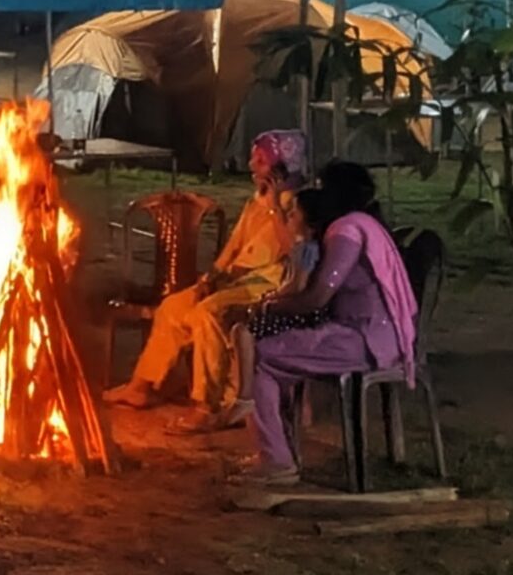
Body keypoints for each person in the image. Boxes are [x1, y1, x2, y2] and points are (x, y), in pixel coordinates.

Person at [103, 129, 310, 423]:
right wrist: (210, 278)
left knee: (208, 313)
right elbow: (236, 244)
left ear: (281, 168)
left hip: (269, 285)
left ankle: (207, 404)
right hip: (236, 280)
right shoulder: (258, 200)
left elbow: (293, 249)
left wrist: (277, 207)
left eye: (260, 161)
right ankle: (142, 386)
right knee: (175, 307)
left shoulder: (297, 205)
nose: (251, 165)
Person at [236, 170, 420, 487]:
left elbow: (317, 296)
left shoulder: (346, 230)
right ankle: (278, 448)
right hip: (374, 336)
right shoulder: (362, 224)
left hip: (363, 339)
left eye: (320, 186)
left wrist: (267, 307)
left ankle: (276, 460)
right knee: (275, 352)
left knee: (258, 357)